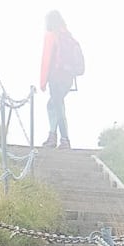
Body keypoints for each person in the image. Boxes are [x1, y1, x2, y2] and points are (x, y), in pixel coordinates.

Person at [39, 9, 83, 149]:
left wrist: (43, 82)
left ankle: (62, 139)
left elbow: (46, 60)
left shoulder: (51, 35)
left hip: (55, 77)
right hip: (68, 78)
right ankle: (55, 136)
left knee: (57, 106)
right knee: (55, 105)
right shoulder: (68, 36)